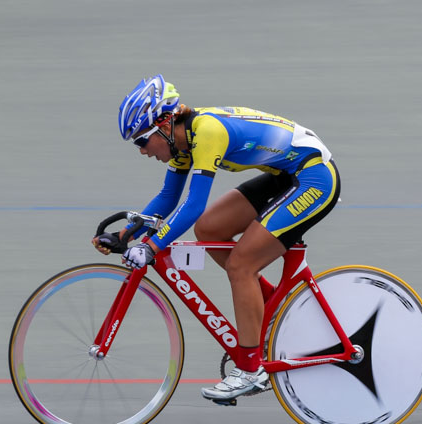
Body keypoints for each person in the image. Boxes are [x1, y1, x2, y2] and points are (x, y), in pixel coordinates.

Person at [92, 75, 340, 400]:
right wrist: (124, 235)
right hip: (284, 176)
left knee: (241, 265)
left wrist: (151, 247)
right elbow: (168, 198)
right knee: (210, 230)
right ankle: (268, 305)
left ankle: (251, 370)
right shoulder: (181, 141)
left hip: (314, 179)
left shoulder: (207, 132)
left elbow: (193, 204)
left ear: (164, 125)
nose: (142, 151)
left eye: (142, 141)